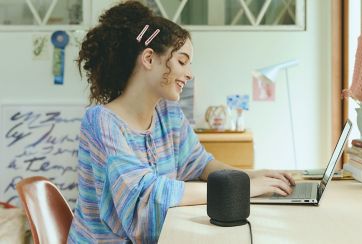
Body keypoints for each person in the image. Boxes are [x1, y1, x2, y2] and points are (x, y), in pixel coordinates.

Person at [68, 1, 295, 243]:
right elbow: (144, 195)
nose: (189, 73)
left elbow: (201, 164)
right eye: (182, 61)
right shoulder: (101, 122)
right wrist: (237, 190)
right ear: (148, 58)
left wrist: (249, 177)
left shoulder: (169, 114)